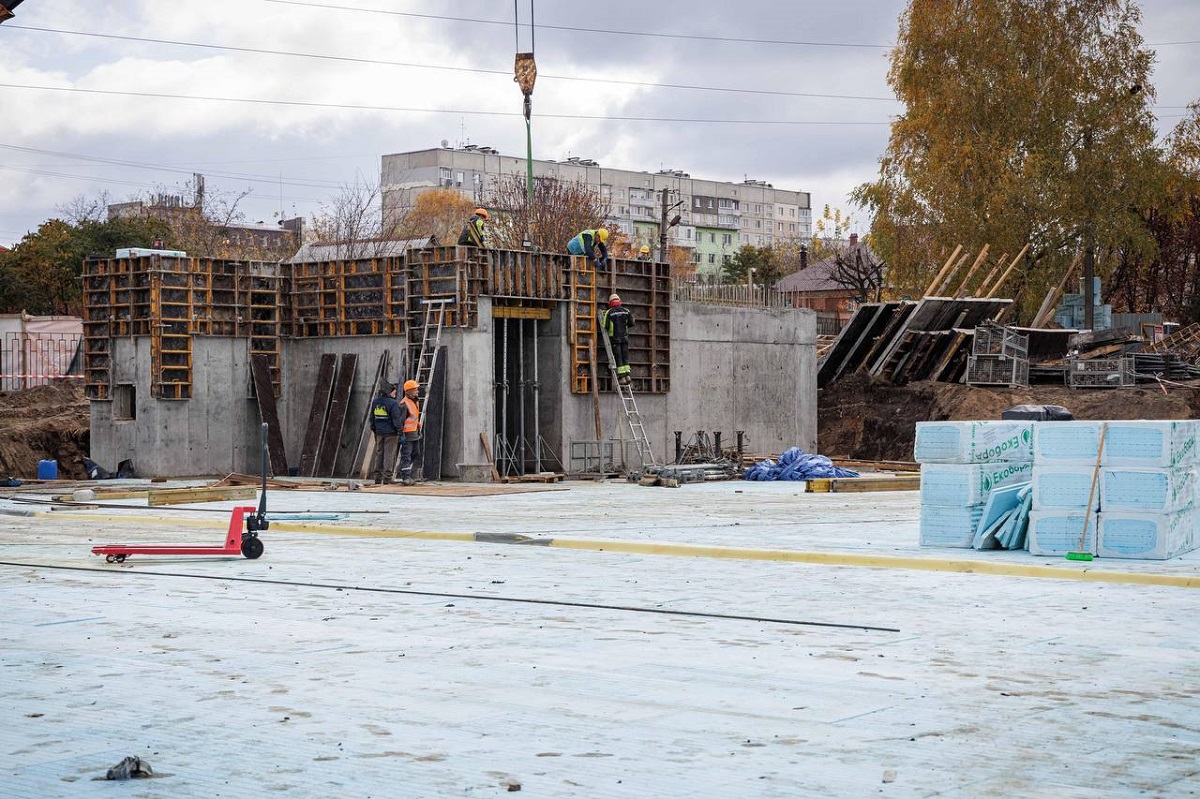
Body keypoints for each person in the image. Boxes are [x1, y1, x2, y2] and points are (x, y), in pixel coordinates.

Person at [369, 382, 403, 485]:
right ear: (389, 392)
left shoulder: (375, 402)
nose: (395, 393)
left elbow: (372, 418)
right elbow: (396, 420)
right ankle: (387, 478)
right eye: (394, 391)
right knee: (389, 454)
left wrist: (375, 429)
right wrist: (400, 432)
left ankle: (377, 478)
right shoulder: (393, 403)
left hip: (379, 432)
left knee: (379, 454)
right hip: (391, 433)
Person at [603, 293, 634, 385]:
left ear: (610, 302)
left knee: (618, 356)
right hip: (625, 338)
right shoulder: (626, 311)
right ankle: (628, 375)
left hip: (615, 338)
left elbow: (605, 325)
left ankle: (622, 377)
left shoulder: (609, 312)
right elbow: (631, 323)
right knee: (625, 356)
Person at [396, 379, 423, 485]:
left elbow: (413, 417)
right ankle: (405, 477)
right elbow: (401, 421)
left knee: (416, 454)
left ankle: (407, 473)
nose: (417, 391)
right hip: (407, 434)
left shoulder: (414, 401)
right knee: (406, 455)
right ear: (410, 391)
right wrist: (401, 435)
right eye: (415, 389)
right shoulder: (404, 404)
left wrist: (417, 425)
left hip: (414, 433)